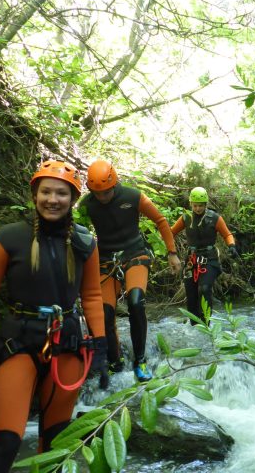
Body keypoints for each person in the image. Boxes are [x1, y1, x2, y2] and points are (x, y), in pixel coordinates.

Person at [0, 160, 109, 473]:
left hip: (68, 346)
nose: (52, 199)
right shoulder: (7, 238)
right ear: (34, 195)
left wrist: (101, 347)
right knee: (5, 443)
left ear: (72, 199)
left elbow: (93, 296)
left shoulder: (86, 243)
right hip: (19, 343)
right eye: (46, 191)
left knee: (56, 444)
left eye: (61, 193)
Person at [79, 159, 181, 382]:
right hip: (106, 260)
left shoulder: (133, 197)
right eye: (97, 193)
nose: (102, 197)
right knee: (105, 313)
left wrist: (172, 253)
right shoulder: (87, 205)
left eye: (105, 192)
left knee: (136, 303)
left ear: (114, 184)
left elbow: (160, 221)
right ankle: (116, 361)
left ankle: (140, 360)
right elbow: (78, 232)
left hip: (135, 254)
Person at [171, 187, 239, 324]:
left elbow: (227, 234)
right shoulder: (186, 218)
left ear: (206, 204)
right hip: (191, 259)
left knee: (205, 287)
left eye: (200, 206)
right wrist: (170, 250)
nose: (197, 209)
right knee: (191, 293)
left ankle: (206, 323)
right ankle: (194, 325)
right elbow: (170, 233)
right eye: (195, 205)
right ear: (191, 204)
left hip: (210, 259)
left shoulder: (214, 218)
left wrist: (231, 246)